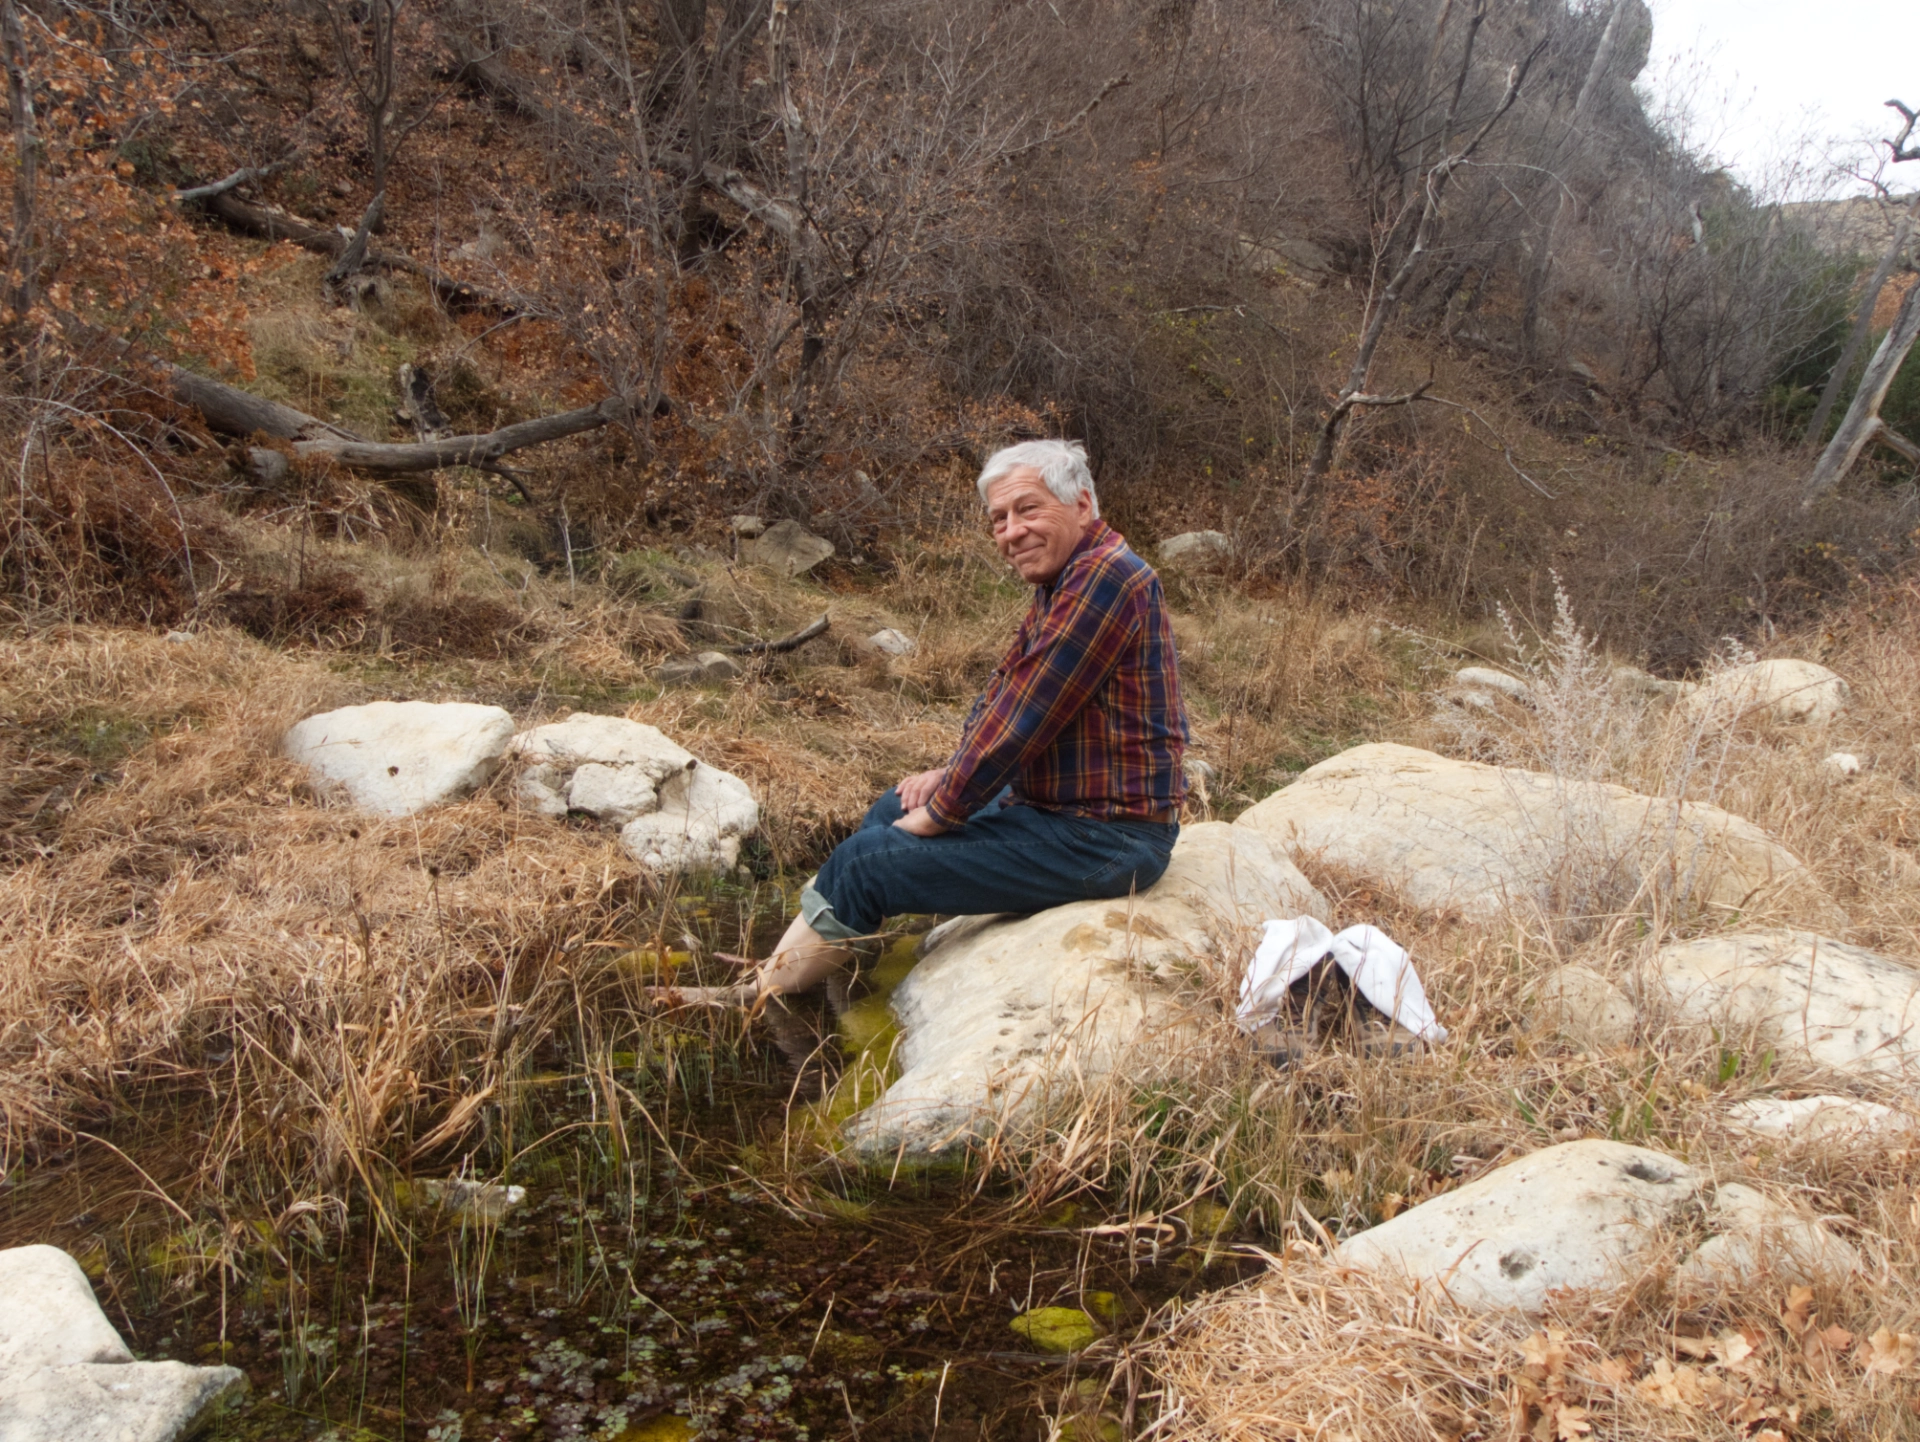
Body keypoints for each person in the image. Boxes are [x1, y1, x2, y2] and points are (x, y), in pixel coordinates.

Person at [682, 438, 1189, 1006]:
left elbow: (1023, 717)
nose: (1011, 532)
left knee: (868, 862)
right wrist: (948, 776)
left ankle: (756, 997)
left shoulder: (1106, 578)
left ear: (1081, 505)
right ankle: (806, 961)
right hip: (1061, 813)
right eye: (998, 519)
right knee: (891, 808)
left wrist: (946, 809)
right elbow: (1007, 690)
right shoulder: (1069, 578)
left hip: (1109, 841)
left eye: (1028, 509)